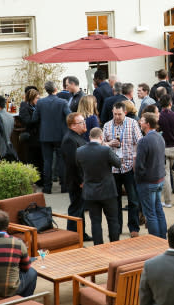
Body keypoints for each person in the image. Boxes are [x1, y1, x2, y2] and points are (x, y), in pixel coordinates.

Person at [103, 102, 143, 237]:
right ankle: (117, 228)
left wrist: (135, 159)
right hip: (114, 169)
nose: (117, 116)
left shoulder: (132, 123)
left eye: (119, 114)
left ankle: (134, 228)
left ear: (125, 112)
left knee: (133, 199)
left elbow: (140, 142)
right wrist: (109, 144)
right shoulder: (107, 125)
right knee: (115, 200)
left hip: (129, 167)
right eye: (115, 114)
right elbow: (101, 144)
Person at [77, 127, 122, 245]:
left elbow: (78, 168)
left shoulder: (80, 151)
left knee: (95, 222)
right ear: (101, 137)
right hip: (108, 191)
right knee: (112, 220)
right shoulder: (105, 150)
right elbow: (118, 163)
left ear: (89, 137)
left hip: (90, 192)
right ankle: (114, 244)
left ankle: (98, 247)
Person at [32, 80, 71, 194]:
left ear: (46, 90)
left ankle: (47, 187)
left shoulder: (40, 103)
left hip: (45, 135)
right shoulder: (62, 102)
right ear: (56, 89)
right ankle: (64, 186)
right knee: (61, 161)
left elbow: (34, 119)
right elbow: (69, 116)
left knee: (47, 162)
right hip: (60, 135)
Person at [136, 113, 167, 238]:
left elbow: (139, 165)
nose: (140, 122)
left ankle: (155, 241)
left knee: (150, 214)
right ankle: (163, 238)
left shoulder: (144, 141)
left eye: (142, 120)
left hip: (148, 181)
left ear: (147, 124)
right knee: (158, 209)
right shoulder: (160, 137)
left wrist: (138, 179)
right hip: (159, 179)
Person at [60, 112, 91, 241]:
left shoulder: (78, 136)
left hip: (81, 179)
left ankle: (81, 234)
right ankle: (73, 237)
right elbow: (73, 163)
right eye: (80, 122)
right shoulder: (69, 140)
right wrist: (81, 180)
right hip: (76, 181)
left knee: (80, 208)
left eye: (84, 121)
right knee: (76, 209)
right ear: (73, 126)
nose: (84, 124)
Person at [19, 88, 43, 183]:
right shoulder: (25, 107)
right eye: (37, 98)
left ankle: (41, 179)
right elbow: (27, 121)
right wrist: (37, 116)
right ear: (31, 98)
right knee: (33, 160)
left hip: (39, 136)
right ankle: (35, 180)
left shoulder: (36, 107)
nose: (38, 100)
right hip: (32, 137)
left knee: (40, 160)